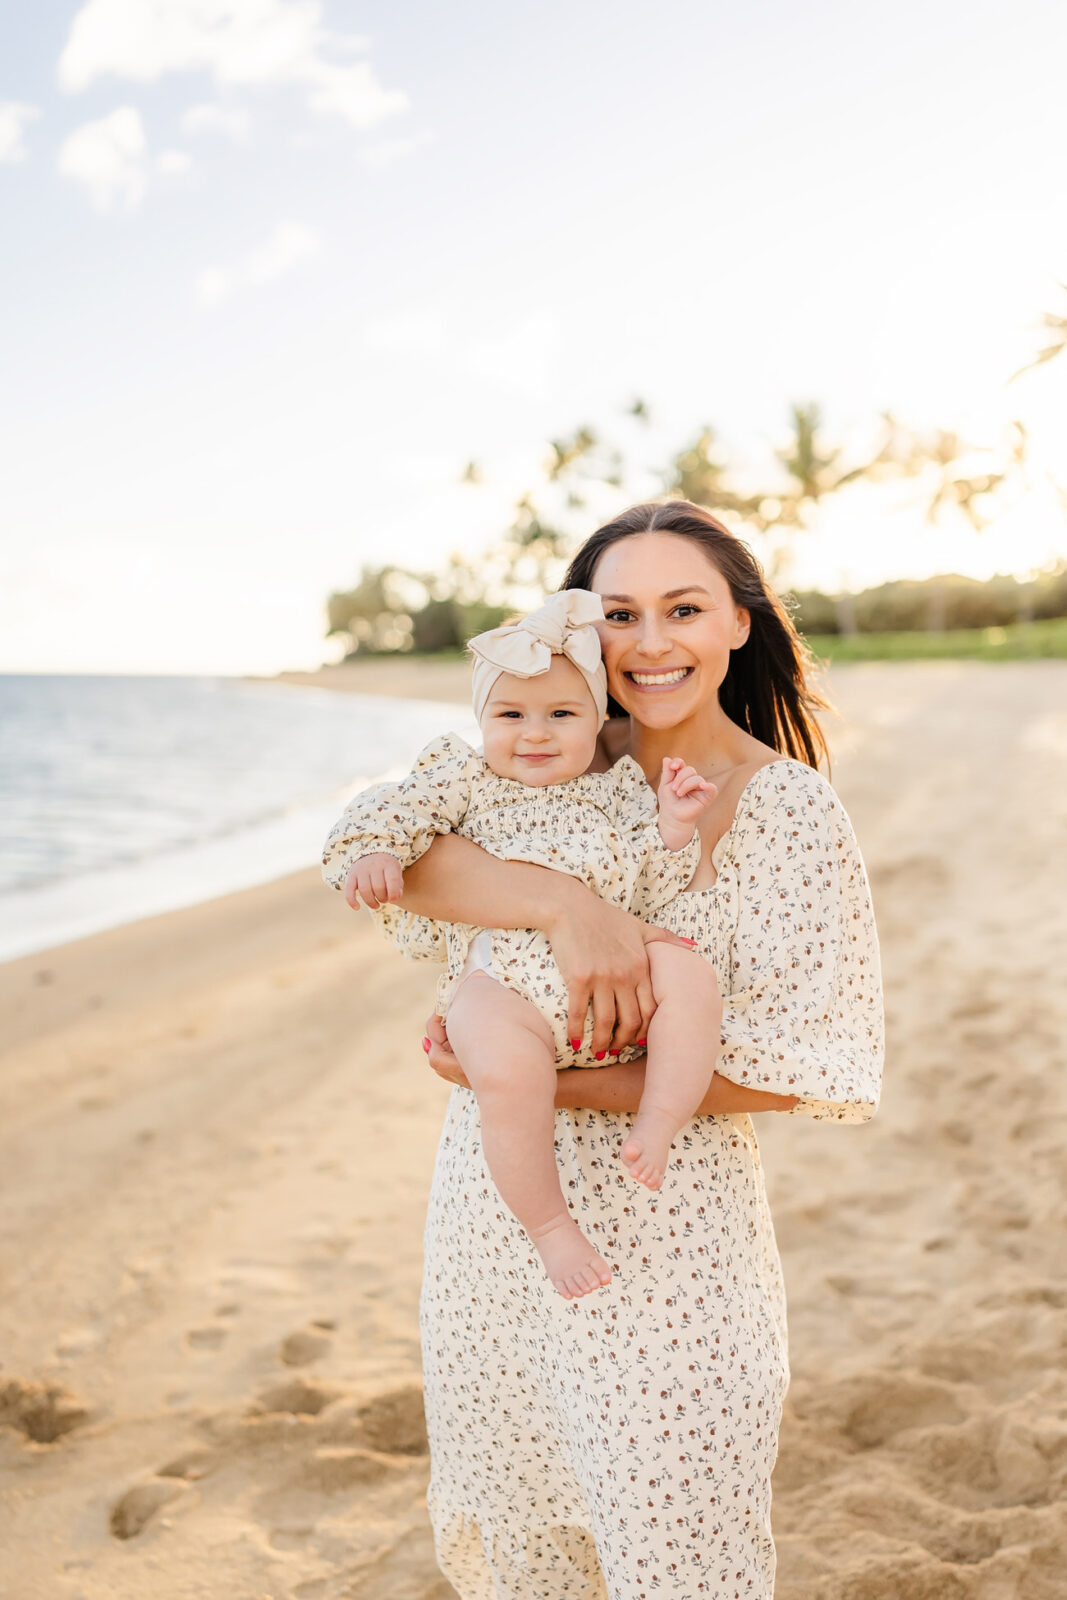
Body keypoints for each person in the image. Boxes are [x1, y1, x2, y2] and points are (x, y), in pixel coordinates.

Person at [336, 500, 884, 1599]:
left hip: (671, 1235)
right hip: (497, 1237)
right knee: (531, 1543)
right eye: (618, 613)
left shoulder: (788, 809)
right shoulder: (534, 747)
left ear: (736, 622)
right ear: (579, 633)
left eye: (680, 609)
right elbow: (390, 843)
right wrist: (561, 907)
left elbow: (791, 1066)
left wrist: (555, 1077)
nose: (646, 642)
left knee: (677, 1545)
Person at [321, 589, 723, 1300]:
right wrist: (376, 851)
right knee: (505, 1075)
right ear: (481, 722)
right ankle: (549, 1226)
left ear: (598, 720)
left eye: (561, 715)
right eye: (510, 715)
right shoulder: (465, 779)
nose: (534, 733)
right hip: (499, 981)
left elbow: (648, 885)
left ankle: (658, 1121)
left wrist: (672, 824)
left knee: (689, 974)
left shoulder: (616, 792)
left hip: (613, 970)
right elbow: (391, 807)